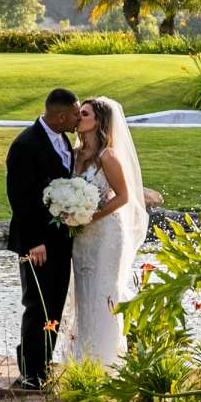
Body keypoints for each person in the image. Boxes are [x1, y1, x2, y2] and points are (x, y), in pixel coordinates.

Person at [61, 96, 150, 368]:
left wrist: (90, 216)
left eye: (84, 114)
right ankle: (82, 362)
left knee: (104, 294)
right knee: (84, 293)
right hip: (82, 236)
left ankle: (107, 364)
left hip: (107, 234)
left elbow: (124, 196)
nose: (78, 118)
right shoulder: (74, 154)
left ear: (97, 121)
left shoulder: (108, 157)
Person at [6, 88, 82, 388]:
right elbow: (20, 198)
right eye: (76, 114)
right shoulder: (25, 145)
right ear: (61, 115)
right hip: (37, 244)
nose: (78, 119)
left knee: (54, 305)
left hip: (61, 241)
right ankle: (30, 374)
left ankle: (43, 367)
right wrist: (35, 241)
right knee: (36, 305)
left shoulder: (63, 139)